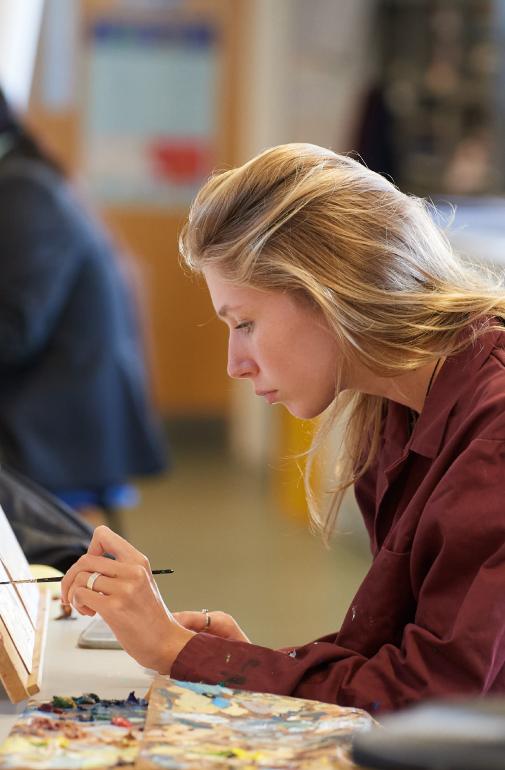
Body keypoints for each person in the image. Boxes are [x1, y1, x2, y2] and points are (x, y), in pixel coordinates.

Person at [62, 143, 505, 714]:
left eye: (245, 323)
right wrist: (238, 665)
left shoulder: (492, 439)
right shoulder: (399, 408)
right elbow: (393, 658)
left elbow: (433, 702)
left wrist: (179, 651)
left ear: (331, 291)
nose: (234, 363)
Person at [0, 88, 166, 527]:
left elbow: (13, 329)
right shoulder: (23, 182)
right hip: (47, 425)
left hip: (52, 436)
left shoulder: (22, 191)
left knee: (73, 583)